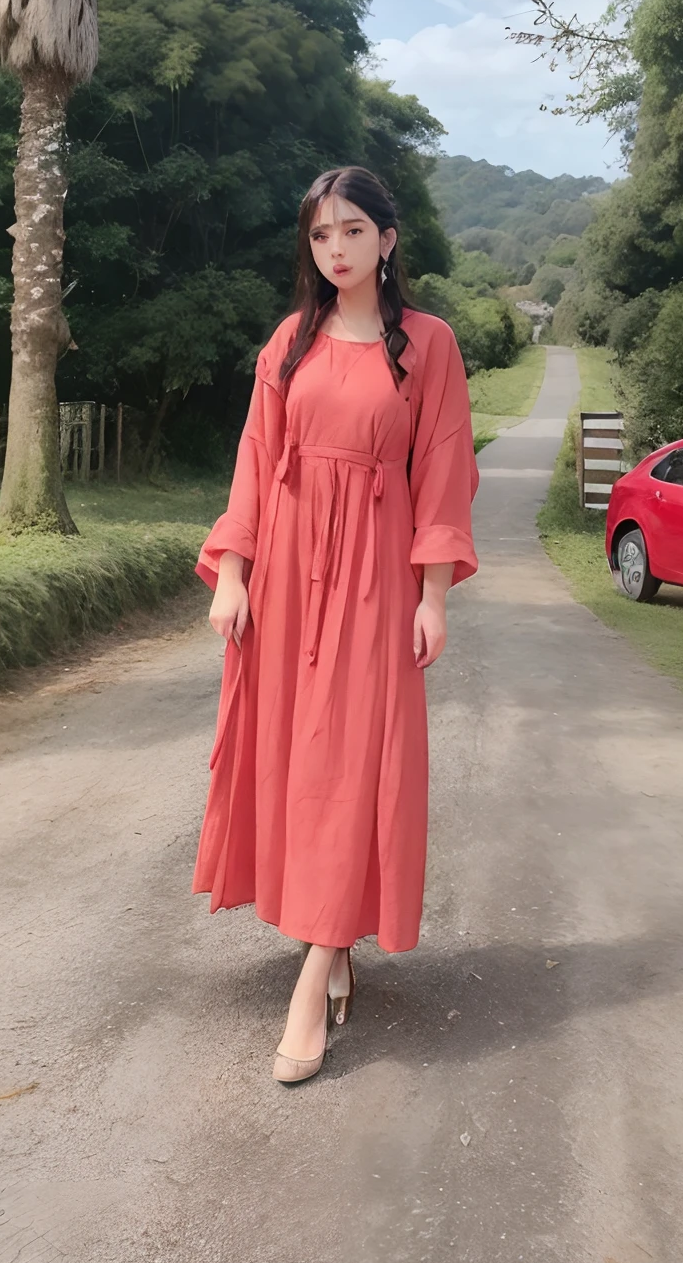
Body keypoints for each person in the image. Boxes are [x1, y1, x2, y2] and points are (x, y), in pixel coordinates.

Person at [193, 165, 479, 1084]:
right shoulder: (292, 339)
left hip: (374, 579)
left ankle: (313, 978)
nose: (337, 249)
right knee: (299, 763)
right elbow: (255, 453)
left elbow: (441, 469)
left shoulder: (428, 345)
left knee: (358, 763)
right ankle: (333, 937)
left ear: (388, 241)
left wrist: (432, 595)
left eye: (354, 231)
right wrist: (232, 574)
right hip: (285, 574)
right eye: (322, 235)